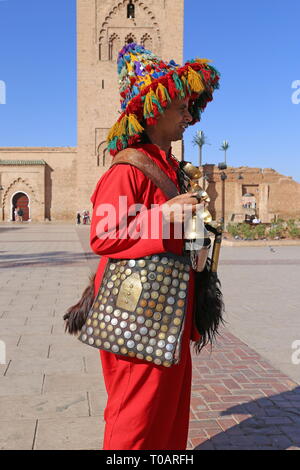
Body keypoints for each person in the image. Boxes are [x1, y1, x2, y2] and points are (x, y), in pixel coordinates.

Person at [88, 43, 221, 450]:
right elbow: (103, 234)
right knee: (137, 415)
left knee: (170, 409)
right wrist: (162, 216)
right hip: (139, 312)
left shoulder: (168, 165)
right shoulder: (129, 168)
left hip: (169, 307)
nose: (188, 117)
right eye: (180, 108)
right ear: (152, 110)